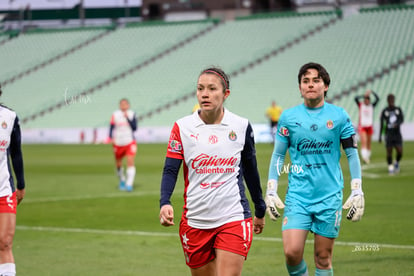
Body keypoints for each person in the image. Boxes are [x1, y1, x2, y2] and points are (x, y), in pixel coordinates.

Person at [159, 67, 266, 276]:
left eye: (211, 89)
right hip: (195, 221)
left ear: (226, 94)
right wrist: (165, 202)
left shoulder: (241, 126)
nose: (205, 94)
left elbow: (251, 171)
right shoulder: (182, 127)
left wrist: (259, 208)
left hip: (233, 217)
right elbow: (171, 168)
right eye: (200, 89)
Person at [265, 62, 365, 276]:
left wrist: (357, 189)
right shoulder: (288, 118)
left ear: (326, 85)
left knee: (323, 258)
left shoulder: (339, 116)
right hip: (298, 197)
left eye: (316, 80)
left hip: (329, 197)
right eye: (305, 81)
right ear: (300, 87)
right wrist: (271, 189)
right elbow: (278, 155)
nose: (310, 85)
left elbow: (351, 153)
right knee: (292, 252)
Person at [0, 85, 26, 276]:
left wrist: (21, 184)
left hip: (4, 189)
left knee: (5, 241)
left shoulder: (9, 117)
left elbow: (16, 153)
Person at [109, 98, 138, 192]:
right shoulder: (115, 114)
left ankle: (129, 184)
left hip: (129, 141)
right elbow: (111, 127)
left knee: (130, 161)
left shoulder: (132, 114)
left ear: (128, 105)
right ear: (119, 105)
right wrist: (110, 138)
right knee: (118, 163)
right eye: (122, 104)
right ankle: (122, 180)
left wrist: (127, 118)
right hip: (118, 142)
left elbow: (134, 127)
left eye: (125, 104)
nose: (123, 106)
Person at [379, 94, 404, 175]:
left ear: (394, 100)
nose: (391, 102)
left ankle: (396, 162)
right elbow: (382, 123)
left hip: (397, 134)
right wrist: (380, 136)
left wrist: (397, 124)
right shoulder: (385, 111)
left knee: (400, 151)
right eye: (390, 100)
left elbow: (401, 119)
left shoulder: (398, 109)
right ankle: (390, 166)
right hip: (389, 134)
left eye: (392, 100)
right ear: (388, 101)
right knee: (389, 151)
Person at [354, 89, 379, 164]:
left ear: (369, 101)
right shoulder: (361, 105)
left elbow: (378, 99)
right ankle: (364, 157)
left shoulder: (372, 106)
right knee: (364, 141)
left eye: (368, 99)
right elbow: (356, 98)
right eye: (365, 99)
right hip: (362, 127)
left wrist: (372, 92)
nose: (366, 101)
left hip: (369, 126)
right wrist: (364, 95)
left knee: (368, 143)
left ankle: (367, 156)